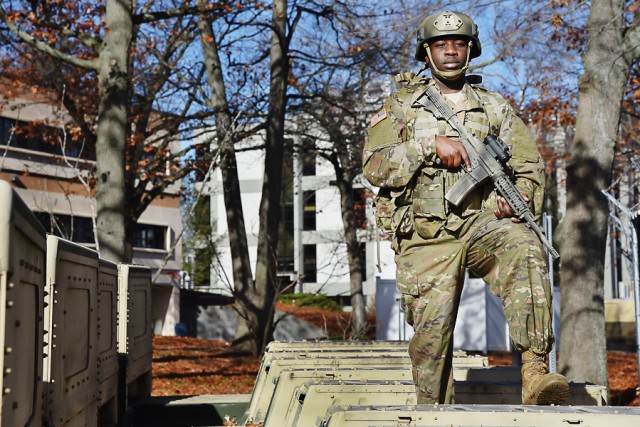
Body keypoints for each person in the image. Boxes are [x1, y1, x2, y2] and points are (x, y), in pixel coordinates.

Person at [363, 10, 569, 405]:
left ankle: (534, 374)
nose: (451, 52)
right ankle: (433, 409)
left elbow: (528, 167)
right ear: (427, 53)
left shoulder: (494, 107)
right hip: (425, 235)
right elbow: (374, 166)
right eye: (441, 45)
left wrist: (521, 197)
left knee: (525, 246)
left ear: (470, 50)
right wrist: (427, 146)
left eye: (459, 44)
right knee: (431, 339)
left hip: (482, 222)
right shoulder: (402, 106)